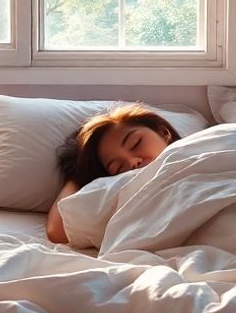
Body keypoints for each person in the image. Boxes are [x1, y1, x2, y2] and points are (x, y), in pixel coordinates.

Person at [45, 104, 181, 243]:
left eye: (135, 144)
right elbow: (58, 230)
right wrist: (78, 175)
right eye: (118, 167)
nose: (132, 162)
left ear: (163, 132)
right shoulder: (119, 193)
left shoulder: (193, 149)